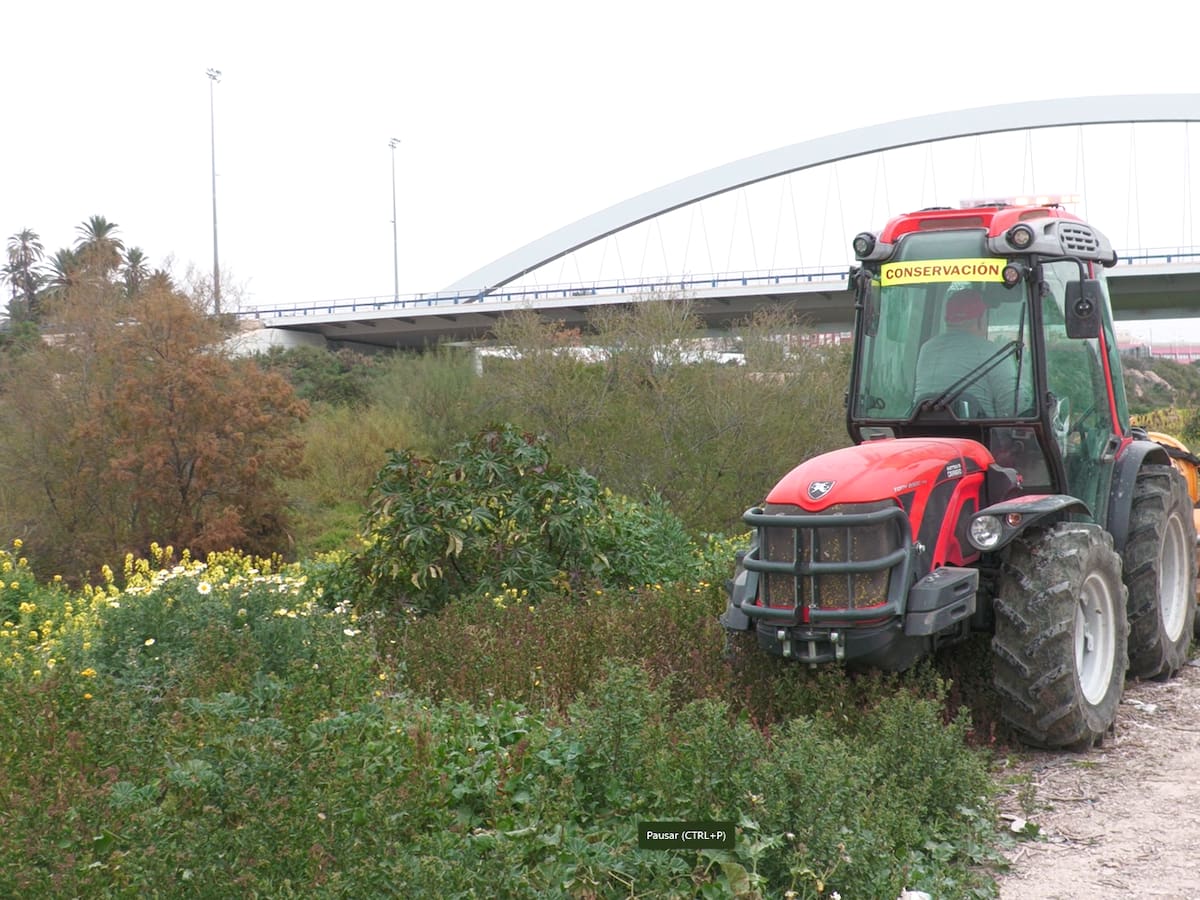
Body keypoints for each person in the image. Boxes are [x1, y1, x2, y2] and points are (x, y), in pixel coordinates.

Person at [913, 288, 1022, 416]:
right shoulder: (992, 352)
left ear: (947, 320)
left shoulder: (927, 349)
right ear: (980, 319)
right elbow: (1015, 406)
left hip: (923, 427)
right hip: (978, 428)